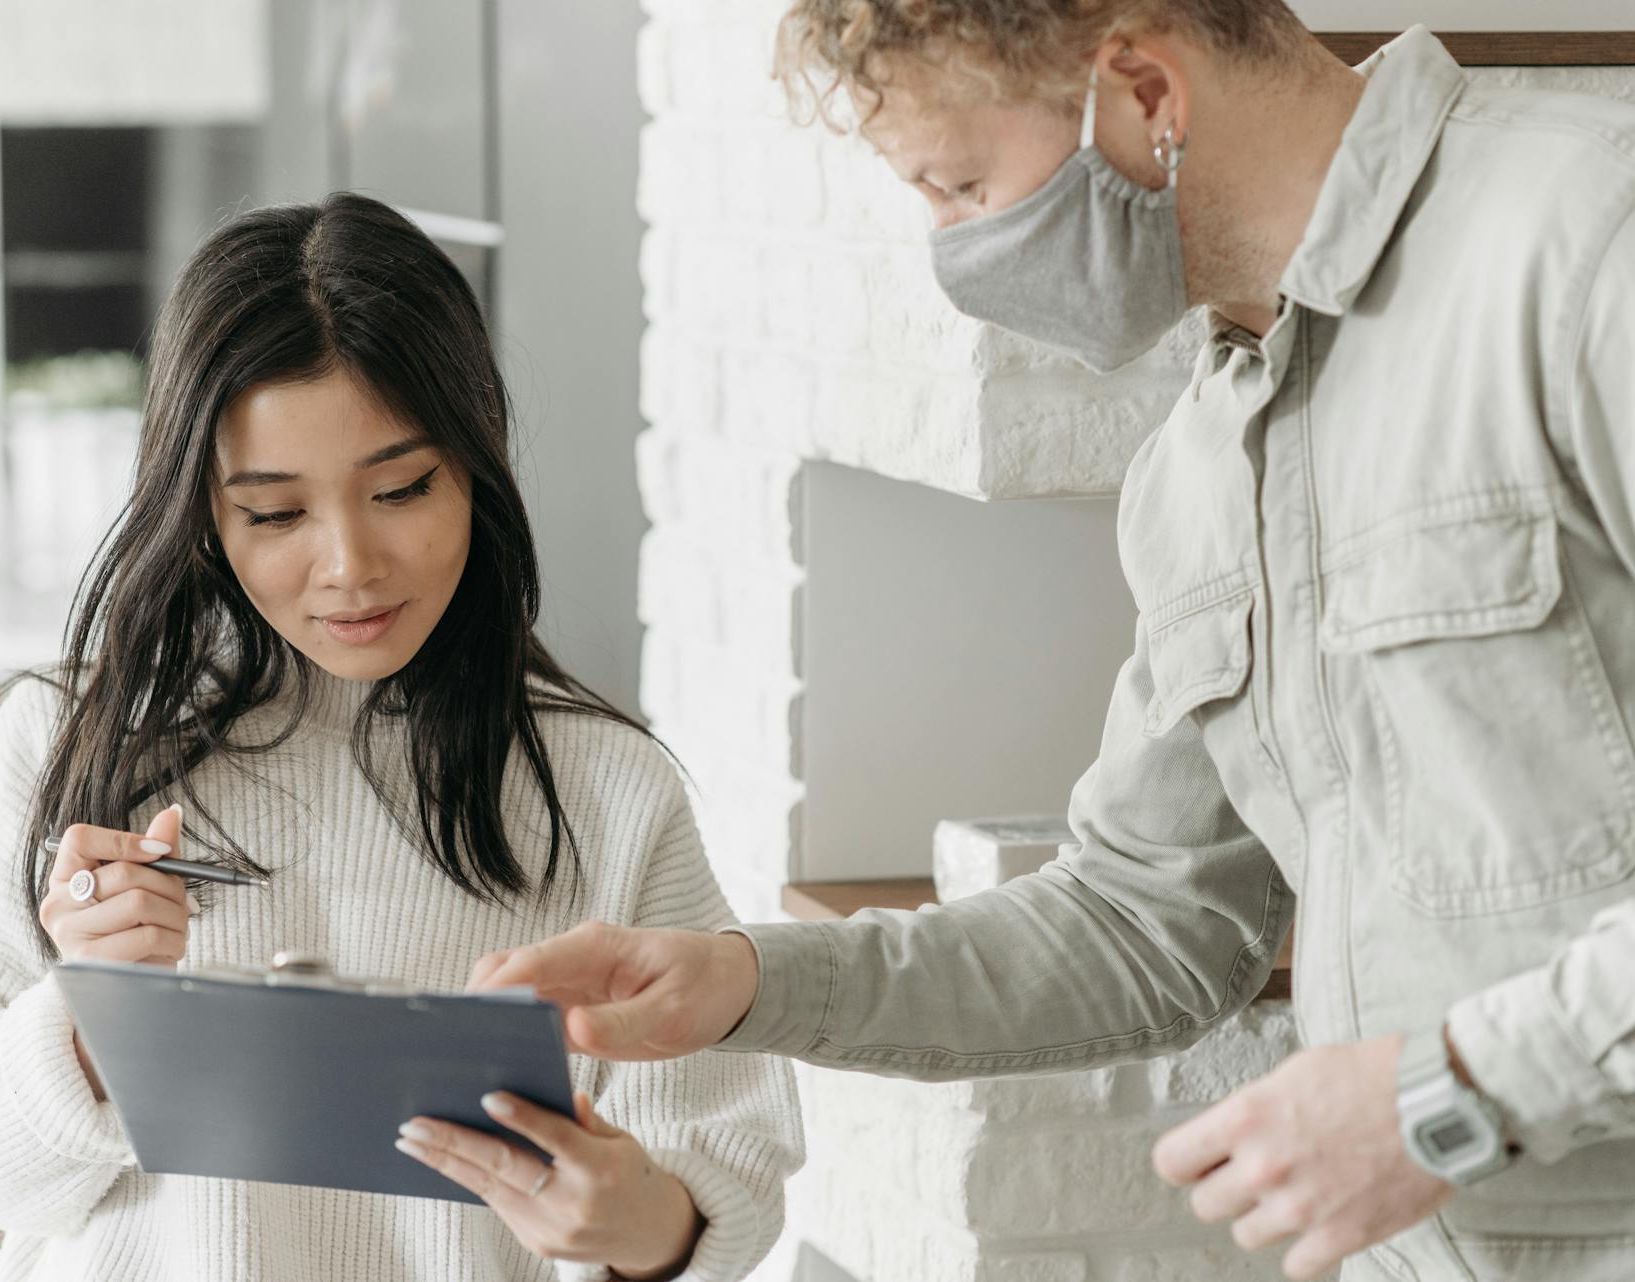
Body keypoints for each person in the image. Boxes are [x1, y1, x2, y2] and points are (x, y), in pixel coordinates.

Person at [468, 6, 1635, 1281]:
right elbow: (1141, 922)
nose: (956, 252)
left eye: (960, 186)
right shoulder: (1200, 468)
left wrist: (1449, 1092)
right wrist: (744, 983)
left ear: (1142, 88)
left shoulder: (1587, 244)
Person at [0, 193, 803, 1282]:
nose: (350, 564)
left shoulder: (608, 791)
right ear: (201, 512)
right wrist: (84, 1022)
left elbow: (725, 1173)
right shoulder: (69, 742)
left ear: (479, 465)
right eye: (274, 513)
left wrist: (635, 1222)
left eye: (402, 488)